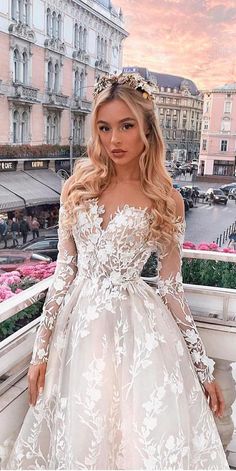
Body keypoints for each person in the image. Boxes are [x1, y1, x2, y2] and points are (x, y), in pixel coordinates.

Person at [4, 74, 229, 470]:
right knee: (83, 436)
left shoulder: (166, 199)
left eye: (126, 126)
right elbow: (64, 273)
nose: (114, 140)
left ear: (147, 130)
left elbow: (171, 287)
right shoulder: (77, 187)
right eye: (105, 128)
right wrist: (41, 353)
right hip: (79, 335)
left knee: (134, 441)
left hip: (139, 335)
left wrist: (203, 368)